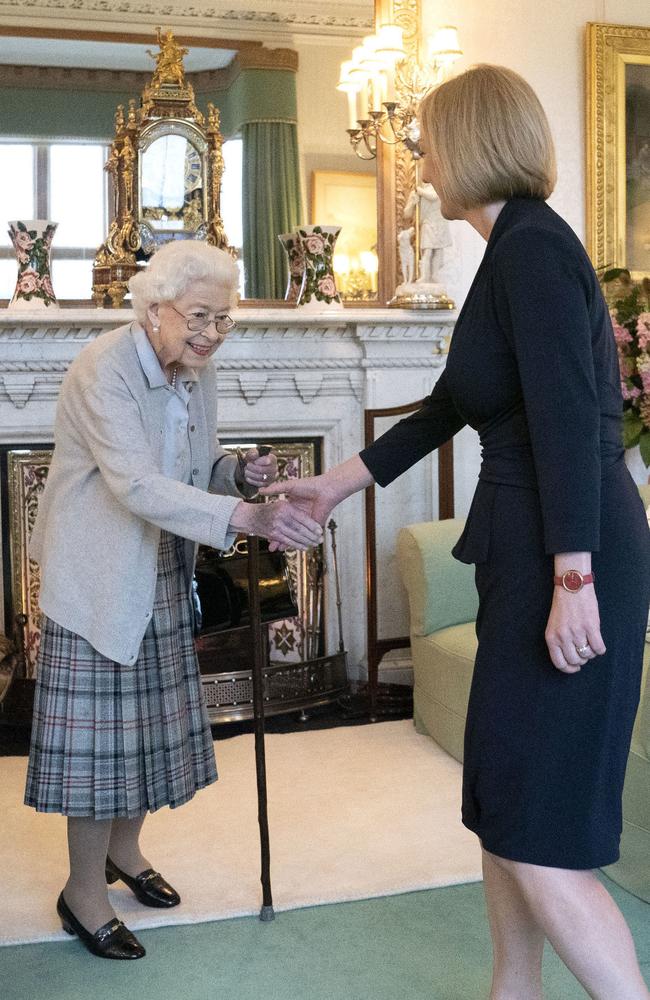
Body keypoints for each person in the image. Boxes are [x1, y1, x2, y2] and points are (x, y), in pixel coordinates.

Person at [263, 65, 650, 999]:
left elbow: (564, 419)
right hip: (537, 549)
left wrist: (572, 580)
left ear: (473, 142)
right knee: (507, 805)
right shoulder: (510, 247)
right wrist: (336, 486)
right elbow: (450, 406)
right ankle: (511, 991)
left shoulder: (531, 251)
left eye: (429, 139)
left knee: (537, 819)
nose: (420, 156)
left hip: (570, 549)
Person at [25, 239, 322, 960]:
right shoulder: (104, 368)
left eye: (224, 320)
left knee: (145, 735)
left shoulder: (194, 371)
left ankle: (125, 855)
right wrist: (244, 519)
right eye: (199, 316)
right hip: (98, 572)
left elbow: (190, 467)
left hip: (158, 565)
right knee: (100, 749)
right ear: (154, 308)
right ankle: (82, 894)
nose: (212, 333)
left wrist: (236, 474)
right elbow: (134, 483)